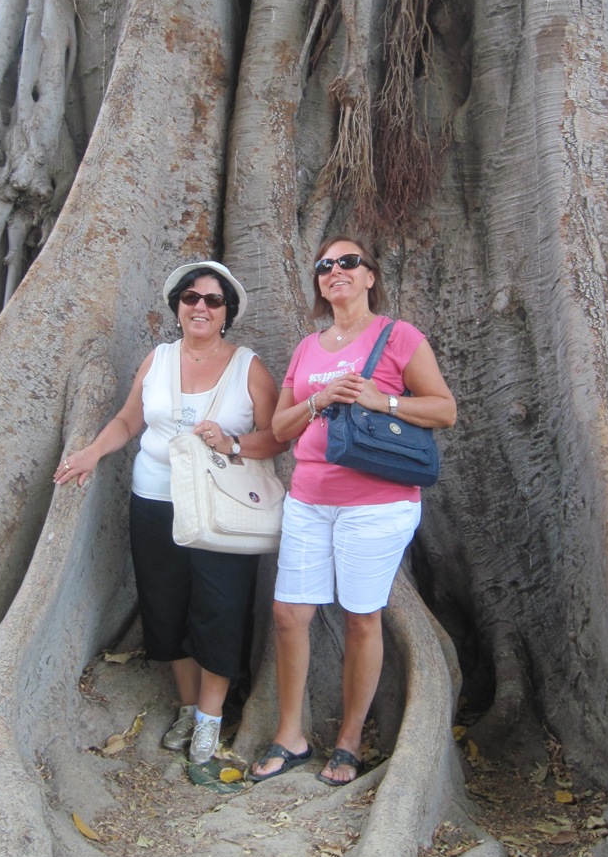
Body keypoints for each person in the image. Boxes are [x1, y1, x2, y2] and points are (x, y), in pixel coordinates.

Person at [54, 261, 286, 765]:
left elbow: (277, 437)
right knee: (164, 605)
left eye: (212, 300)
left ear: (227, 313)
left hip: (221, 511)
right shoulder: (156, 360)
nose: (200, 306)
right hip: (154, 501)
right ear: (177, 307)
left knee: (219, 608)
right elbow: (128, 419)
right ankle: (186, 706)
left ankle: (210, 716)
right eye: (190, 297)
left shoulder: (249, 368)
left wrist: (233, 441)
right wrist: (92, 453)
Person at [250, 236, 456, 785]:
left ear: (369, 275)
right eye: (324, 265)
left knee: (362, 617)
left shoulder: (399, 337)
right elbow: (279, 428)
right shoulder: (308, 347)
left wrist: (378, 399)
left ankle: (348, 741)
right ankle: (289, 734)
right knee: (290, 614)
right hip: (309, 500)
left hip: (377, 504)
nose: (335, 270)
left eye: (348, 262)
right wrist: (319, 399)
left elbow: (444, 409)